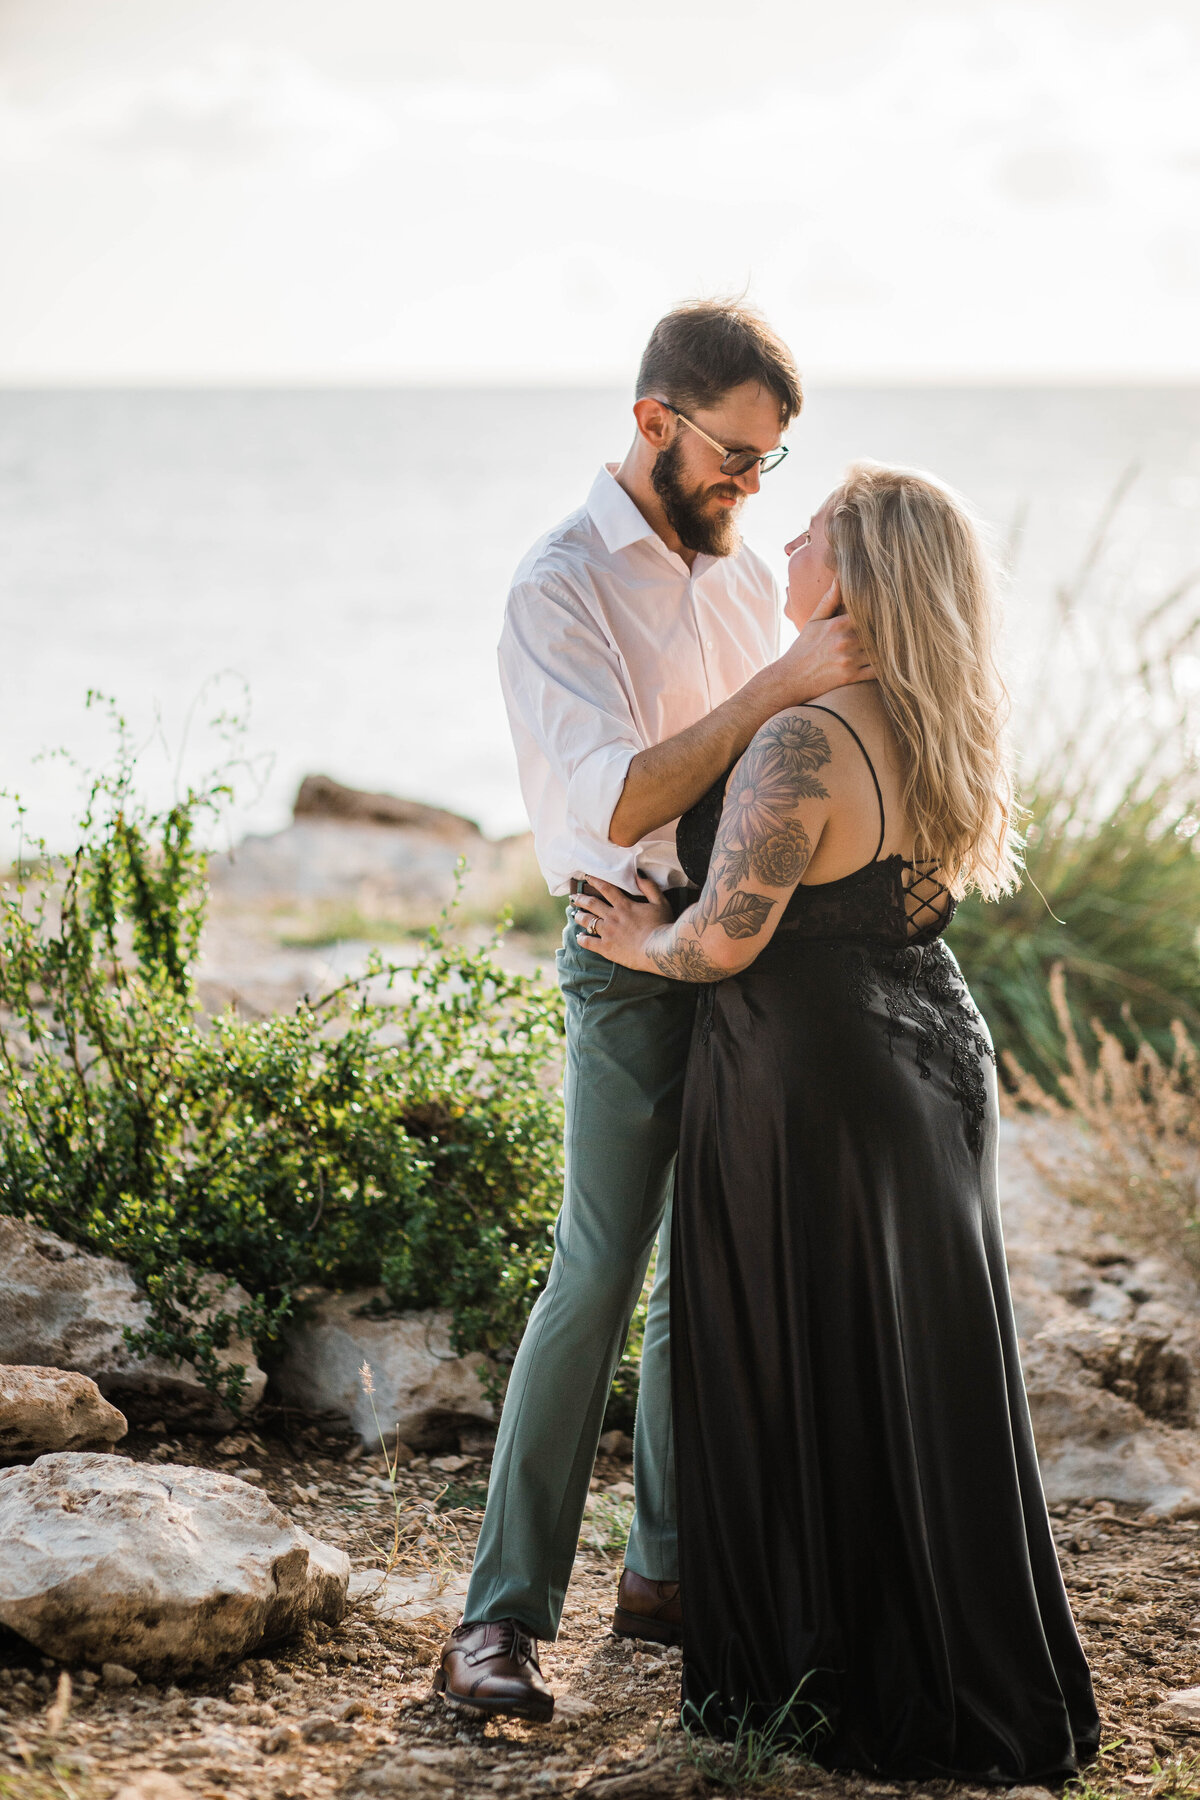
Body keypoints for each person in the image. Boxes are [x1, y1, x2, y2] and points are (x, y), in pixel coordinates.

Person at [572, 462, 1101, 1782]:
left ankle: (818, 1681)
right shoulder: (940, 717)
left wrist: (644, 943)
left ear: (854, 577)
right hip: (931, 1055)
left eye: (814, 529)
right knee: (912, 1368)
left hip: (813, 1080)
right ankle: (935, 1653)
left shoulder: (808, 738)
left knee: (798, 1356)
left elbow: (727, 942)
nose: (789, 535)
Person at [435, 301, 872, 1723]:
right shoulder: (557, 585)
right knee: (601, 1266)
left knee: (710, 1271)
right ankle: (497, 1617)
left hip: (753, 957)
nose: (754, 488)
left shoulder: (746, 578)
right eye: (737, 458)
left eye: (773, 464)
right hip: (625, 955)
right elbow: (621, 796)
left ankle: (668, 1572)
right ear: (652, 424)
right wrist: (781, 687)